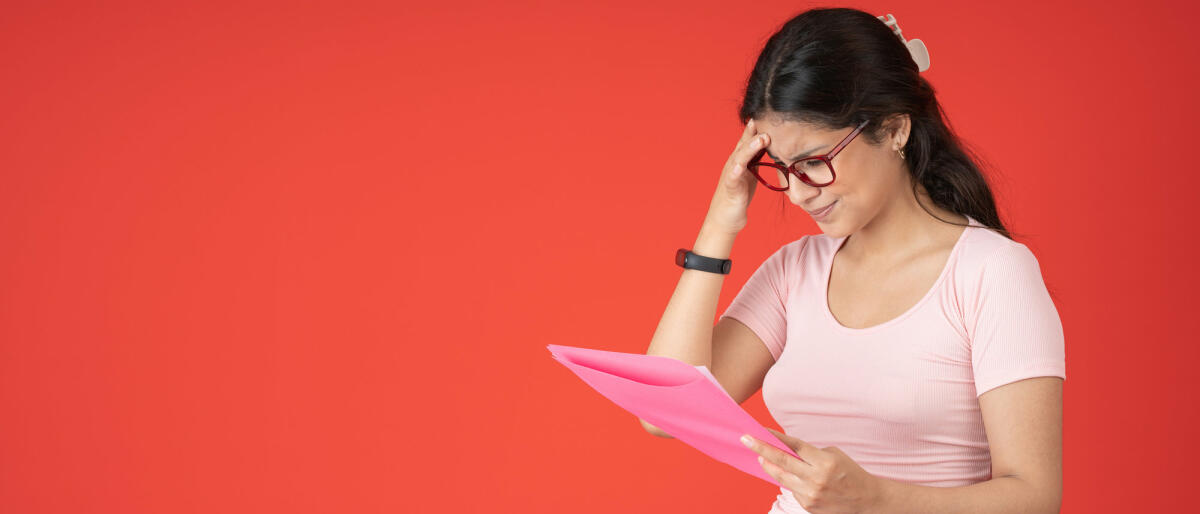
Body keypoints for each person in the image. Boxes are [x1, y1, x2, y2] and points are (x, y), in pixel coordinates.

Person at [640, 7, 1065, 514]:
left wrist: (873, 498)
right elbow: (662, 413)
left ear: (893, 130)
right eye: (783, 168)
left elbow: (1035, 498)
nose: (797, 193)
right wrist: (718, 224)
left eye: (815, 162)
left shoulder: (991, 273)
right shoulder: (793, 271)